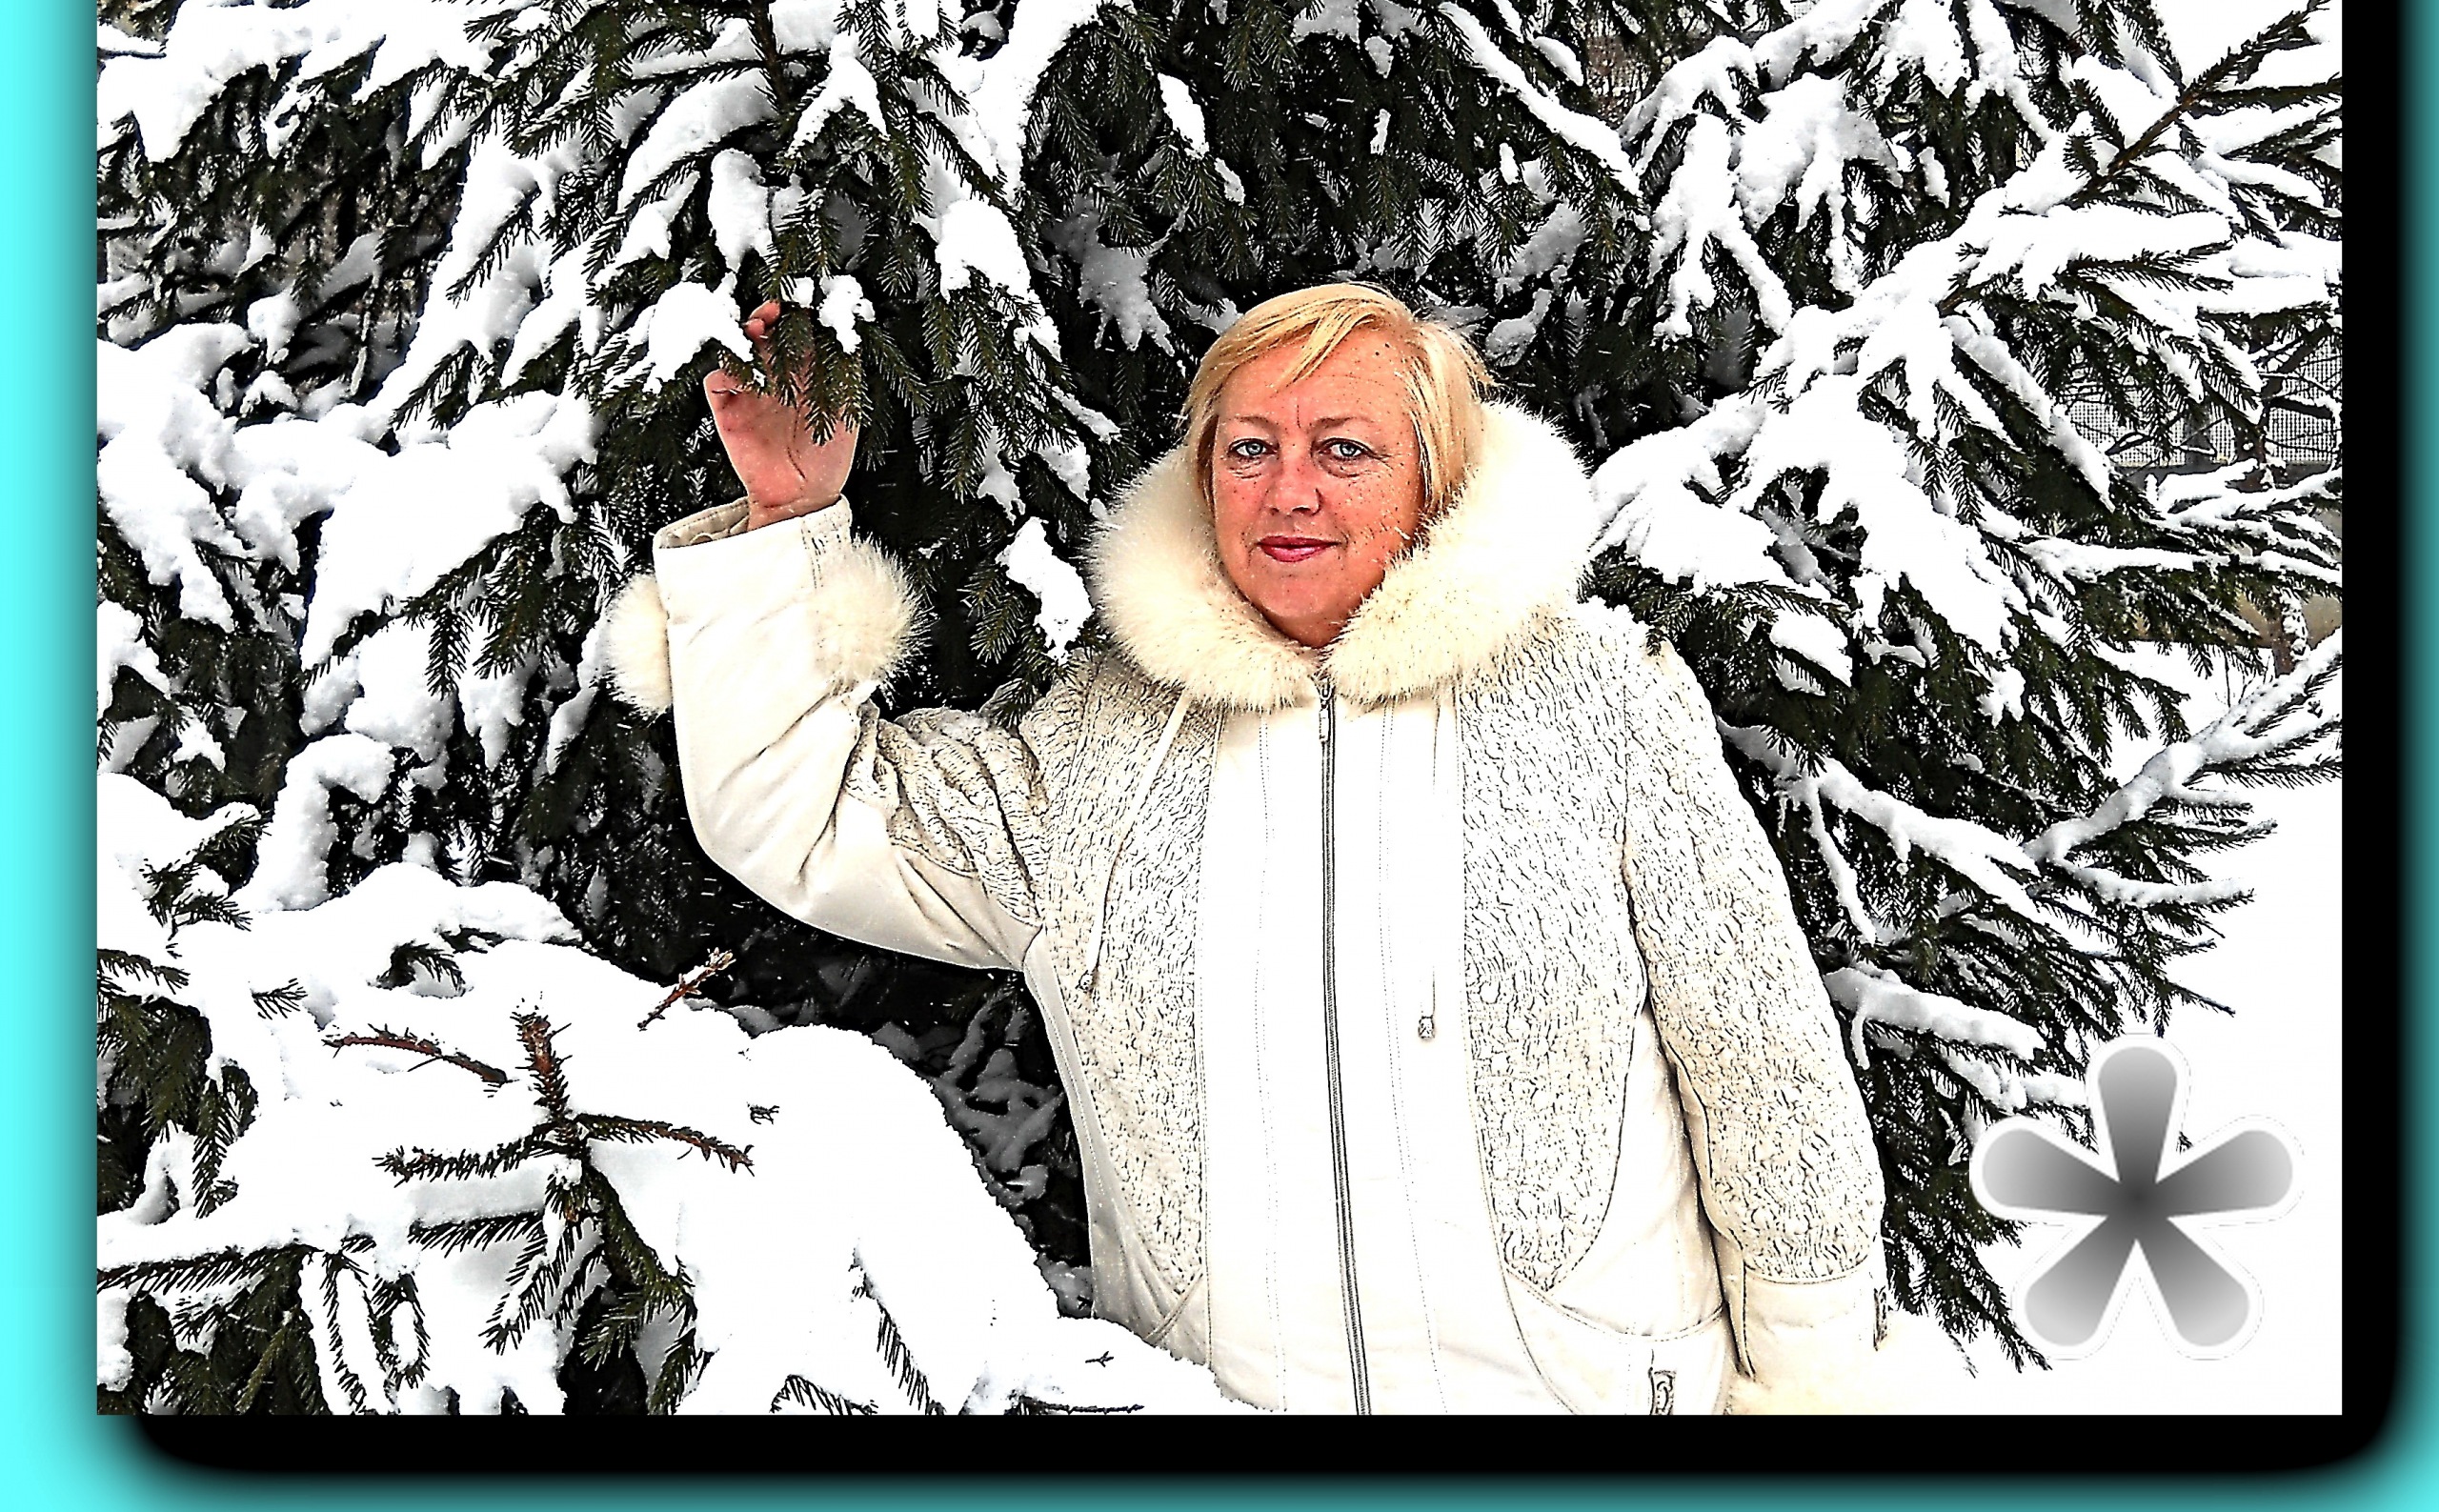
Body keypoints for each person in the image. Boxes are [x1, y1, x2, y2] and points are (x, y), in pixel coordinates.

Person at [606, 282, 1898, 1415]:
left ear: (1437, 477)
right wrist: (785, 520)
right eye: (1250, 449)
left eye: (1345, 449)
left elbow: (1768, 1079)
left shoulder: (1602, 703)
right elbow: (802, 812)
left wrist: (1810, 1399)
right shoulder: (1103, 743)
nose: (1290, 491)